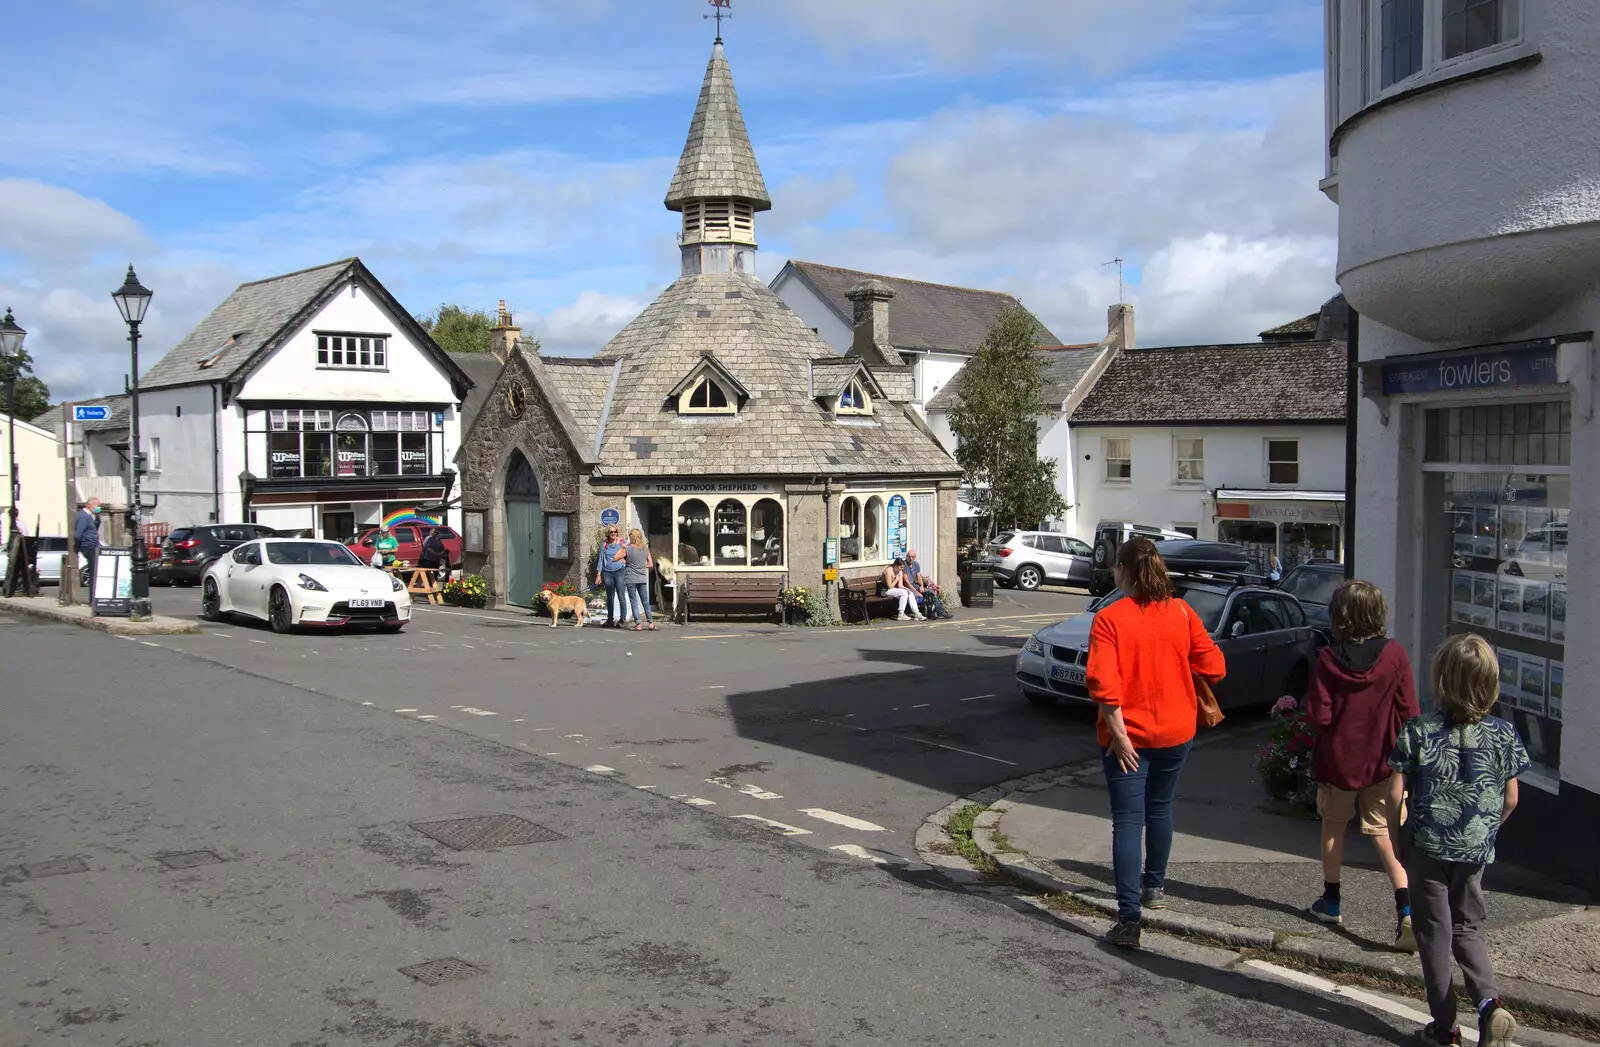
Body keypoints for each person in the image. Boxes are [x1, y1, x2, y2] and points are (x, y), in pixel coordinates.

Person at [1085, 537, 1226, 949]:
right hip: (1177, 731)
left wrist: (1121, 737)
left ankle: (1129, 920)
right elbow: (1215, 666)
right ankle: (1155, 888)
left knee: (1128, 820)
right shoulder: (1181, 612)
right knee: (1160, 808)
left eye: (1115, 568)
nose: (1113, 573)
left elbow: (1104, 689)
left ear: (1124, 571)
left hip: (1127, 737)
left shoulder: (1110, 619)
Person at [1390, 635, 1527, 1047]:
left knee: (1435, 934)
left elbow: (1394, 794)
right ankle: (1488, 1006)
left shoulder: (1420, 731)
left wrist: (1399, 838)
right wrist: (1486, 832)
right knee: (1469, 928)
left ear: (1441, 680)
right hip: (1474, 850)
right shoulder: (1503, 734)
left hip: (1428, 847)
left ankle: (1446, 1028)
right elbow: (1513, 797)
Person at [1303, 580, 1420, 951]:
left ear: (1340, 616)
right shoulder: (1395, 655)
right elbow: (1410, 712)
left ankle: (1332, 902)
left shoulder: (1327, 660)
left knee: (1334, 826)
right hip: (1384, 761)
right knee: (1385, 835)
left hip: (1338, 761)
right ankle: (1407, 911)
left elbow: (1319, 716)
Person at [903, 549, 953, 620]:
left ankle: (940, 611)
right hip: (907, 587)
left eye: (913, 557)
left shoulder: (916, 564)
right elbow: (906, 582)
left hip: (915, 585)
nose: (911, 559)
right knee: (916, 595)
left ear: (915, 557)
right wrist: (917, 592)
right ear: (906, 556)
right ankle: (919, 613)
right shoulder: (903, 565)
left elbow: (919, 577)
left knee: (931, 592)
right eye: (909, 557)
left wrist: (921, 586)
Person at [594, 526, 628, 627]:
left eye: (615, 531)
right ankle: (610, 619)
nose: (613, 533)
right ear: (608, 533)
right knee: (610, 597)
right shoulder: (604, 545)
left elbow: (631, 552)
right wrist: (598, 575)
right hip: (607, 572)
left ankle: (623, 619)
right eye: (611, 532)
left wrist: (626, 560)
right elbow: (600, 560)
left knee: (621, 596)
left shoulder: (623, 542)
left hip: (620, 571)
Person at [624, 528, 657, 631]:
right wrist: (642, 566)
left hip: (631, 578)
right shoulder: (645, 549)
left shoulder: (628, 549)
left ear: (632, 537)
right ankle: (651, 623)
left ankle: (638, 624)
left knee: (634, 601)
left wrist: (627, 564)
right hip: (642, 578)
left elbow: (617, 557)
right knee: (645, 601)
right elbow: (651, 564)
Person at [880, 557, 923, 621]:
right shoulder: (889, 570)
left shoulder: (899, 571)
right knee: (904, 593)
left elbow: (900, 585)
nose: (902, 569)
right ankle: (901, 614)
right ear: (896, 566)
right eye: (901, 567)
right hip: (885, 591)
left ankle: (916, 612)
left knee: (909, 592)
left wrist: (906, 588)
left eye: (903, 567)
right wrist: (896, 579)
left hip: (893, 589)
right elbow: (889, 586)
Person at [74, 498, 103, 588]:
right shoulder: (83, 516)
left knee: (96, 569)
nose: (99, 508)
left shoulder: (89, 516)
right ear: (90, 505)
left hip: (93, 546)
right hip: (89, 547)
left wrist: (98, 518)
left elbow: (93, 529)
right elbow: (78, 535)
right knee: (93, 570)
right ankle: (93, 596)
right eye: (98, 506)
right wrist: (84, 545)